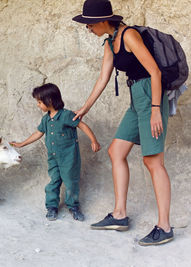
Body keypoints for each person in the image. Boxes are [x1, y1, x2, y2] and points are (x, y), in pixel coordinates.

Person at [72, 0, 173, 246]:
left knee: (153, 161)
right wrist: (85, 108)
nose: (88, 29)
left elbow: (155, 72)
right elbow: (103, 79)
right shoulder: (109, 43)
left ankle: (165, 226)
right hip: (136, 98)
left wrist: (157, 110)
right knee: (116, 151)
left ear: (103, 21)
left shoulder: (129, 36)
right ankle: (119, 215)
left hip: (151, 96)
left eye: (89, 24)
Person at [10, 83, 100, 221]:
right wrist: (22, 143)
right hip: (53, 158)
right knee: (54, 181)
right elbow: (38, 133)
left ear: (50, 100)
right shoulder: (45, 119)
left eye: (40, 102)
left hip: (69, 158)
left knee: (71, 182)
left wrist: (93, 140)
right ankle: (52, 207)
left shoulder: (66, 115)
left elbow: (82, 125)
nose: (38, 105)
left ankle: (73, 206)